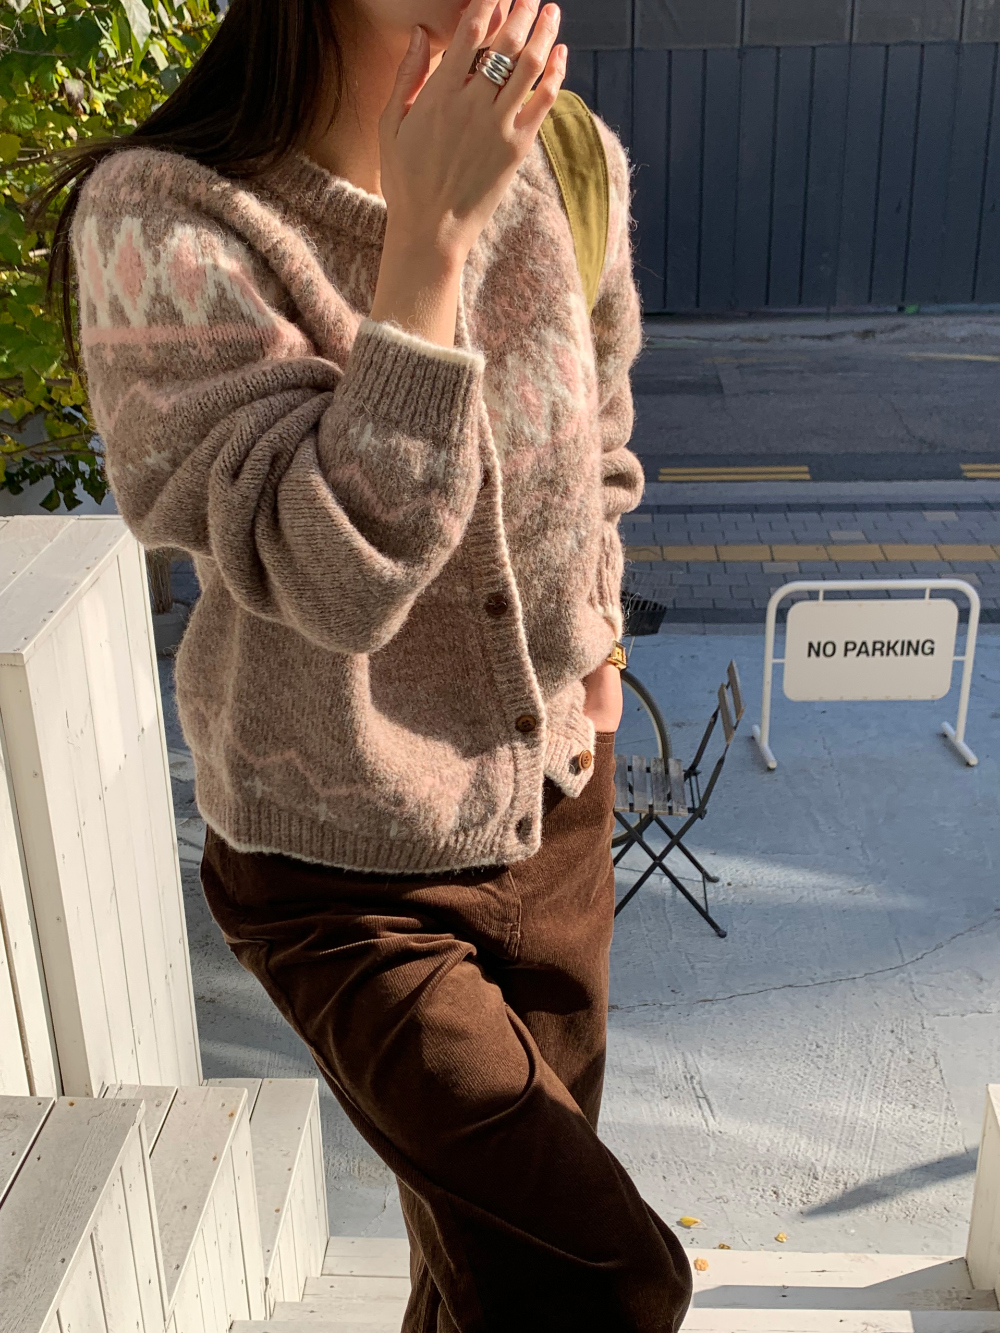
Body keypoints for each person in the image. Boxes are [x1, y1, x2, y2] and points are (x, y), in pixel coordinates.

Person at [46, 0, 692, 1327]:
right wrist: (429, 245)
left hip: (557, 815)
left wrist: (600, 641)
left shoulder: (569, 154)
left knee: (482, 1275)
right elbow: (336, 575)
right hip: (338, 869)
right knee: (608, 1281)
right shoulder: (167, 222)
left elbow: (602, 431)